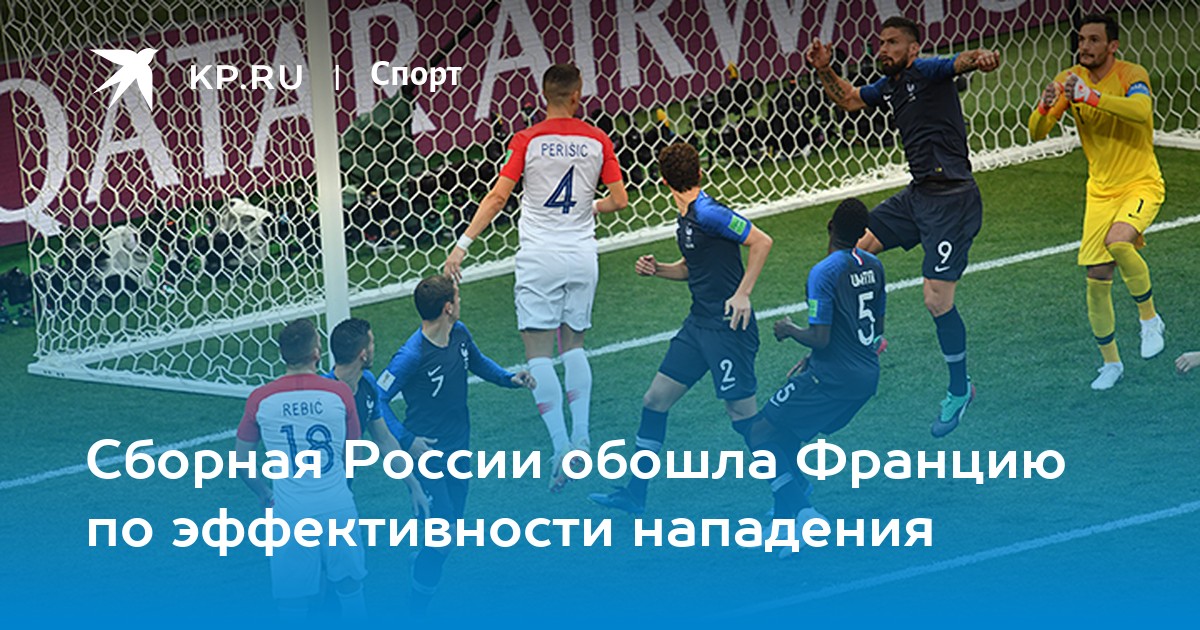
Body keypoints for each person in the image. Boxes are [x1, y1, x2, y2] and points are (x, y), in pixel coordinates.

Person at [805, 17, 999, 437]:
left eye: (892, 42)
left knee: (936, 300)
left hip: (952, 201)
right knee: (852, 249)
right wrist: (824, 68)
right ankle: (867, 337)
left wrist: (981, 58)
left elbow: (959, 61)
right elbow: (850, 99)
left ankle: (959, 390)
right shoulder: (890, 85)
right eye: (880, 42)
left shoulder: (927, 70)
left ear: (912, 49)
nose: (883, 49)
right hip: (918, 195)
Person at [444, 63, 629, 489]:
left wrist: (463, 244)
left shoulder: (527, 140)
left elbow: (498, 197)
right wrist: (591, 206)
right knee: (575, 346)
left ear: (544, 95)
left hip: (540, 259)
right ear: (577, 95)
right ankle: (583, 438)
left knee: (539, 356)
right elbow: (619, 200)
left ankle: (562, 448)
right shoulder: (598, 139)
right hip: (581, 256)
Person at [589, 141, 773, 515]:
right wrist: (659, 269)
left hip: (729, 329)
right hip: (698, 327)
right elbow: (693, 269)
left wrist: (743, 293)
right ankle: (635, 494)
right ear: (700, 172)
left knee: (743, 417)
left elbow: (761, 241)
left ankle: (791, 489)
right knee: (655, 401)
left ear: (662, 180)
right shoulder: (688, 216)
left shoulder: (710, 213)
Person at [375, 275, 536, 614]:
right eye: (457, 298)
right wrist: (407, 439)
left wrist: (509, 378)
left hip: (459, 449)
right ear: (448, 307)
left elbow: (477, 362)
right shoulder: (411, 355)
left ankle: (422, 562)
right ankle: (415, 608)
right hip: (427, 457)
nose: (460, 302)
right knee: (443, 537)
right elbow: (377, 398)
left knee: (451, 533)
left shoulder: (459, 333)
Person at [740, 198, 886, 558]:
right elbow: (873, 331)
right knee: (785, 437)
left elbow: (821, 337)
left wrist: (789, 330)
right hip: (865, 377)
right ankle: (784, 525)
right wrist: (813, 358)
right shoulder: (875, 266)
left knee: (758, 433)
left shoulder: (823, 272)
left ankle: (805, 512)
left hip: (833, 378)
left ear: (830, 226)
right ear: (862, 233)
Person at [1029, 13, 1167, 390]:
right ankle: (1111, 364)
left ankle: (1150, 320)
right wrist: (1044, 107)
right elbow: (1037, 132)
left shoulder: (1131, 74)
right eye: (1081, 39)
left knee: (1118, 241)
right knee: (1097, 277)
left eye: (1093, 40)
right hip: (1100, 192)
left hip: (1141, 183)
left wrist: (1092, 97)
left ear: (1112, 46)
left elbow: (1141, 111)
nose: (1084, 46)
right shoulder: (1068, 78)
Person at [234, 318, 367, 619]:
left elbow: (242, 461)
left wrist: (264, 494)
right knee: (350, 589)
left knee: (292, 603)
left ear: (283, 355)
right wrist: (340, 484)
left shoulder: (261, 399)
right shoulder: (340, 393)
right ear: (316, 353)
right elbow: (354, 455)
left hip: (290, 514)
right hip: (337, 507)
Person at [326, 317, 431, 518]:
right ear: (363, 354)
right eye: (372, 343)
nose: (375, 347)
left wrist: (414, 485)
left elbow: (384, 439)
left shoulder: (367, 383)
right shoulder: (322, 395)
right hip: (318, 496)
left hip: (342, 492)